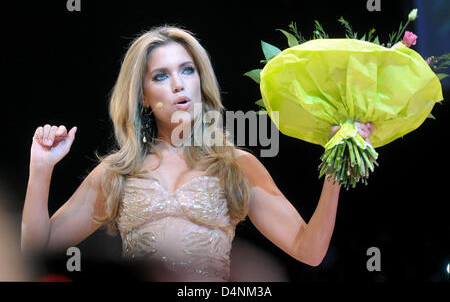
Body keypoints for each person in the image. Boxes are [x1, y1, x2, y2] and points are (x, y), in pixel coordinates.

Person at [21, 25, 374, 282]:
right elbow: (35, 252)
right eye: (161, 75)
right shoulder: (117, 172)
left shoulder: (236, 165)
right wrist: (41, 168)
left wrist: (335, 166)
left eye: (187, 70)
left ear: (199, 83)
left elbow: (309, 251)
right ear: (142, 96)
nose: (178, 84)